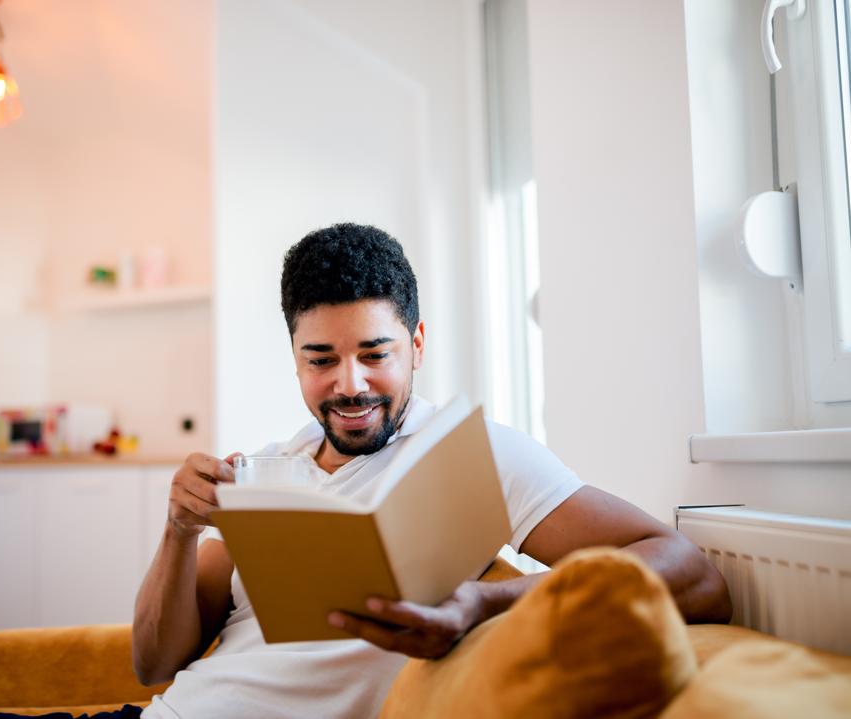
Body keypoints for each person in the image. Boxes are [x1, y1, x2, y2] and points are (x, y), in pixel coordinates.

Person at [132, 223, 731, 719]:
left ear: (416, 344)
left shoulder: (472, 456)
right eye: (321, 359)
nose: (350, 384)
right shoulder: (269, 468)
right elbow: (153, 665)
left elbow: (695, 578)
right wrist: (178, 531)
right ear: (295, 360)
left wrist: (481, 605)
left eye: (375, 354)